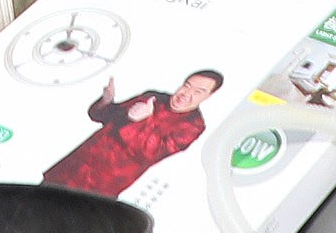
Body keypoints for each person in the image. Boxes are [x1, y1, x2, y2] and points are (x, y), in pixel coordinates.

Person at [47, 73, 224, 197]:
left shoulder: (193, 126)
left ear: (209, 96)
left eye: (198, 92)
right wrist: (106, 101)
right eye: (187, 86)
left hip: (100, 184)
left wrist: (140, 120)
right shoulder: (155, 97)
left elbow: (150, 154)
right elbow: (104, 116)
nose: (187, 94)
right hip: (74, 165)